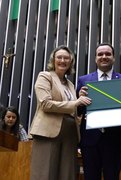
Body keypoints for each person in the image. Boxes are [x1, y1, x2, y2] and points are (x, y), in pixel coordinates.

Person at [29, 45, 91, 180]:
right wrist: (76, 102)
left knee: (67, 174)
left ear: (70, 62)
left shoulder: (70, 85)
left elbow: (71, 107)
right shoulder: (45, 76)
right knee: (45, 173)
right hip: (48, 131)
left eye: (66, 58)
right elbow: (46, 104)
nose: (63, 60)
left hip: (70, 133)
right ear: (53, 60)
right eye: (59, 57)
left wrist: (78, 98)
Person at [77, 42, 121, 180]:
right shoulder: (83, 80)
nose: (104, 56)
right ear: (95, 58)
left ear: (113, 58)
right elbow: (78, 111)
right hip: (90, 139)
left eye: (108, 54)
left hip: (115, 140)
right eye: (100, 54)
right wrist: (80, 99)